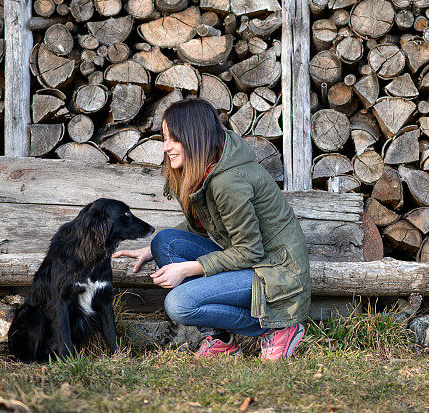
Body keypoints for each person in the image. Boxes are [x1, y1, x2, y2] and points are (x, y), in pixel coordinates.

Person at [113, 98, 311, 360]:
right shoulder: (207, 167)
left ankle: (274, 329)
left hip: (277, 274)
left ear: (194, 136)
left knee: (179, 304)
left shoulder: (228, 181)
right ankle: (221, 341)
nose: (166, 147)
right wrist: (150, 249)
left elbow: (249, 252)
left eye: (174, 139)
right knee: (164, 241)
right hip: (255, 265)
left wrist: (187, 268)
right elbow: (198, 226)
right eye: (165, 138)